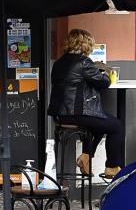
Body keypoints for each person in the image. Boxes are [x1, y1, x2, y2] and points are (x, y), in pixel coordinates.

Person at [47, 28, 125, 179]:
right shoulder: (84, 62)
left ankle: (86, 156)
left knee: (100, 123)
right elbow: (104, 83)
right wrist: (104, 71)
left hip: (60, 114)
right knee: (116, 126)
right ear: (86, 45)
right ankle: (112, 167)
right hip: (76, 113)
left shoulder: (59, 62)